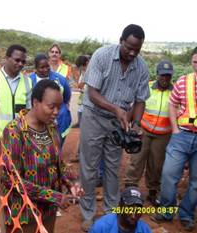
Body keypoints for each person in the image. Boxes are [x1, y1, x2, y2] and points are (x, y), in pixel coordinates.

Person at [79, 24, 150, 232]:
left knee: (112, 167)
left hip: (117, 124)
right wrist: (117, 110)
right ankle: (88, 214)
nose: (132, 52)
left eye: (137, 49)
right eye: (129, 47)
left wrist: (135, 123)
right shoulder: (102, 56)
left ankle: (111, 212)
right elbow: (92, 93)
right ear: (121, 40)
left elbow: (140, 100)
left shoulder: (142, 67)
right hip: (94, 116)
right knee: (90, 167)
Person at [1, 79, 82, 233]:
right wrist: (55, 197)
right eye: (51, 107)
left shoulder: (51, 128)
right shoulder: (14, 131)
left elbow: (58, 164)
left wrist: (71, 182)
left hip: (48, 211)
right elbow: (11, 179)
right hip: (24, 215)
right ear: (35, 102)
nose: (56, 112)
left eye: (60, 107)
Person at [151, 47, 197, 232]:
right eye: (195, 61)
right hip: (182, 136)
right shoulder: (183, 82)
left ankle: (186, 214)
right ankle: (167, 211)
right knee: (169, 175)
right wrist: (175, 129)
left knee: (196, 183)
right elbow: (172, 104)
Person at [124, 60, 174, 206]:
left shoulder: (175, 91)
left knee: (156, 164)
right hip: (144, 131)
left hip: (163, 135)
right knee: (136, 160)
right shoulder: (148, 87)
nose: (165, 79)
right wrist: (132, 124)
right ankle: (130, 188)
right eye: (162, 75)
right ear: (157, 74)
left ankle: (153, 191)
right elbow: (135, 105)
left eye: (168, 76)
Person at [30, 54, 71, 144]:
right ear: (35, 68)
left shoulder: (60, 79)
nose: (45, 69)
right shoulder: (29, 80)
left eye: (47, 66)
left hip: (59, 120)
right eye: (42, 67)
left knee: (56, 146)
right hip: (37, 122)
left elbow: (67, 96)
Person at [0, 44, 32, 136]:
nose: (20, 64)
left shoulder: (28, 81)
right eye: (17, 60)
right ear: (7, 58)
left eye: (23, 62)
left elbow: (29, 111)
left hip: (19, 139)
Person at [72, 55, 90, 128]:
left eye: (82, 67)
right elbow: (80, 83)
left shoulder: (92, 70)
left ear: (86, 63)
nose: (82, 69)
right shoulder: (83, 71)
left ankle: (84, 124)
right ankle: (79, 122)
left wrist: (82, 87)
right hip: (83, 93)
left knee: (86, 109)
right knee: (80, 107)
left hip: (89, 94)